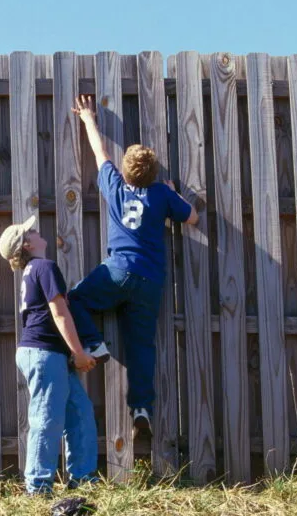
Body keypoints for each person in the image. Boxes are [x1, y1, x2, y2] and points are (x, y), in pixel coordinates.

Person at [68, 95, 199, 438]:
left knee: (76, 299)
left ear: (125, 171)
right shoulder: (161, 195)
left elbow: (100, 153)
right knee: (141, 344)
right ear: (155, 175)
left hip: (118, 270)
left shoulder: (114, 186)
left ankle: (94, 343)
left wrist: (88, 119)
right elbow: (194, 218)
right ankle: (141, 406)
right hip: (150, 280)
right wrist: (174, 192)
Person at [0, 215, 99, 495]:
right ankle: (38, 486)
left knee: (80, 412)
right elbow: (59, 312)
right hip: (44, 354)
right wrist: (78, 352)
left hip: (46, 353)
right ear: (27, 244)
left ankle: (83, 480)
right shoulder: (44, 266)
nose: (37, 230)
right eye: (31, 230)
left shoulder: (33, 270)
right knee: (47, 417)